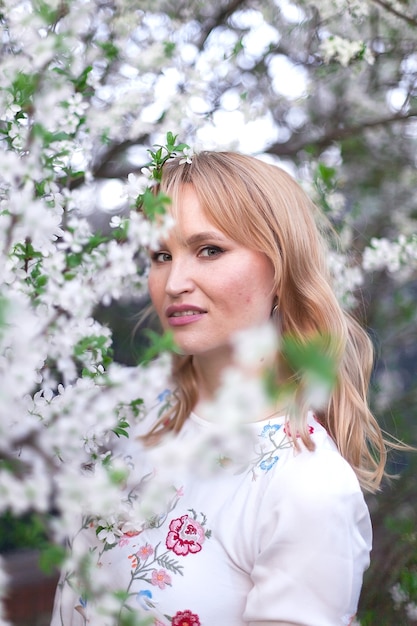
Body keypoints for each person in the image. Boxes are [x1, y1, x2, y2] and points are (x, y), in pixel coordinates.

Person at [51, 151, 389, 626]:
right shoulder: (131, 413)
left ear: (280, 270)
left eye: (209, 250)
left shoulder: (306, 488)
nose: (175, 282)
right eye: (161, 256)